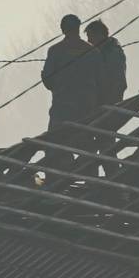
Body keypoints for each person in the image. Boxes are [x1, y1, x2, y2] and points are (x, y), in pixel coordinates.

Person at [42, 14, 100, 176]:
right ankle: (92, 186)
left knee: (55, 148)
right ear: (79, 27)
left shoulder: (55, 51)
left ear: (62, 29)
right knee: (87, 151)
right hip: (87, 110)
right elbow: (101, 80)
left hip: (61, 109)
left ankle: (55, 185)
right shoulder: (92, 51)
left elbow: (48, 80)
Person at [85, 18, 127, 109]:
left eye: (90, 36)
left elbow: (119, 82)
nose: (88, 40)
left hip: (107, 104)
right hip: (97, 103)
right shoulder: (98, 53)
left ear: (99, 35)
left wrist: (110, 104)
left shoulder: (113, 53)